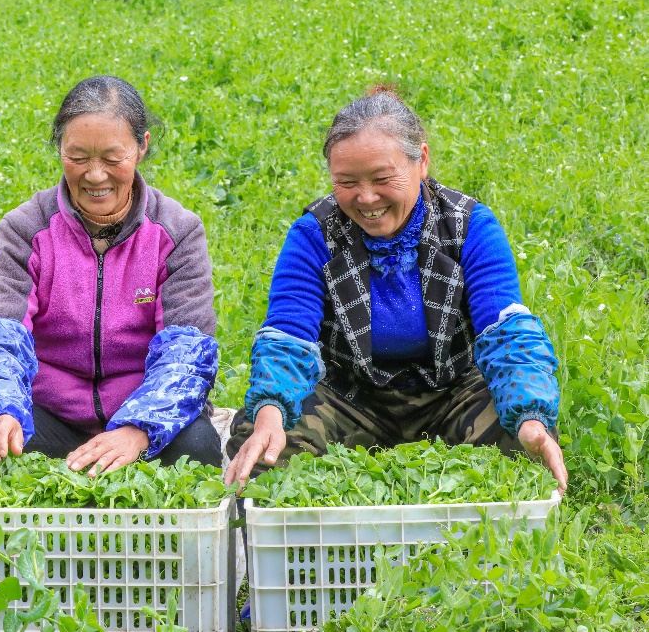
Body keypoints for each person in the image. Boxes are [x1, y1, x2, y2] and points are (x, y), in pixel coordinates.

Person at [223, 87, 567, 491]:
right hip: (349, 398)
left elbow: (505, 330)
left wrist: (529, 415)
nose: (366, 198)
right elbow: (289, 333)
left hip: (452, 393)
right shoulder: (315, 235)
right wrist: (270, 412)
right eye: (346, 182)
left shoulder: (469, 226)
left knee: (522, 436)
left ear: (421, 161)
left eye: (383, 179)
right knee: (265, 441)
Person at [0, 76, 221, 474]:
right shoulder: (25, 229)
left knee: (196, 445)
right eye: (78, 157)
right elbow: (0, 336)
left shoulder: (177, 232)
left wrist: (138, 428)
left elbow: (187, 354)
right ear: (60, 149)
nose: (95, 176)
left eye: (113, 158)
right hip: (50, 417)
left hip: (141, 422)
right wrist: (1, 412)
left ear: (142, 146)